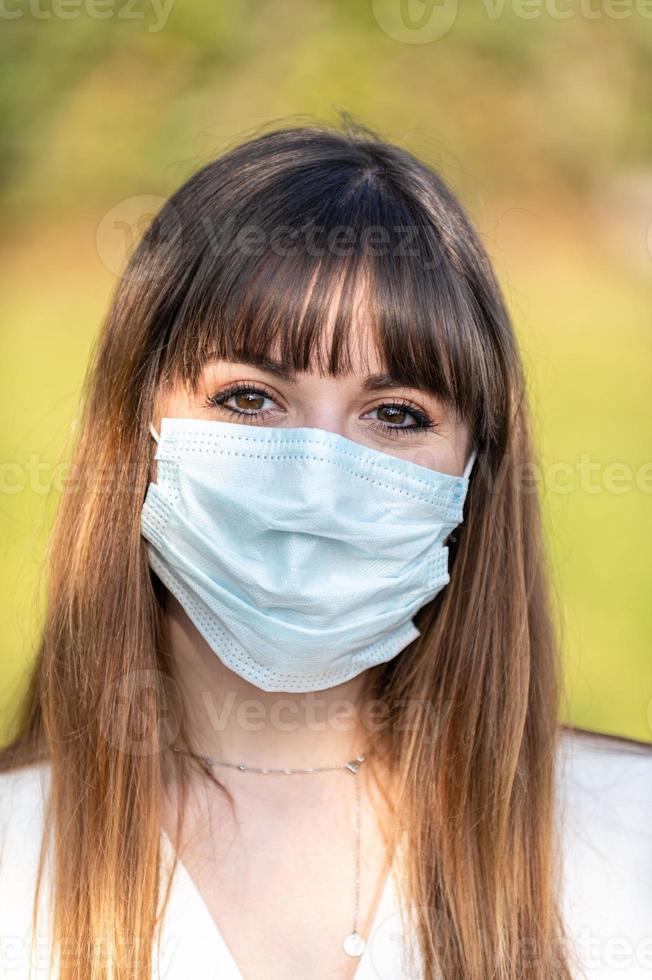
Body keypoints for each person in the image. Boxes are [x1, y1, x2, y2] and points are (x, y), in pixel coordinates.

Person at [0, 118, 650, 980]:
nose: (317, 480)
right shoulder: (18, 856)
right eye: (249, 399)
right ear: (136, 424)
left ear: (474, 474)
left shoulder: (626, 837)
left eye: (396, 414)